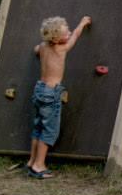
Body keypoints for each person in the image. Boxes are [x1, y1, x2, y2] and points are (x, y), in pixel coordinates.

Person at [25, 15, 91, 179]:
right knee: (49, 131)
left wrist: (41, 51)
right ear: (56, 40)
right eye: (65, 33)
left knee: (38, 127)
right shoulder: (61, 49)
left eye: (68, 30)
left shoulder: (42, 46)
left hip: (39, 90)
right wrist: (82, 23)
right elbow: (76, 35)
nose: (69, 33)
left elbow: (36, 50)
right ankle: (39, 166)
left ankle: (31, 161)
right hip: (51, 94)